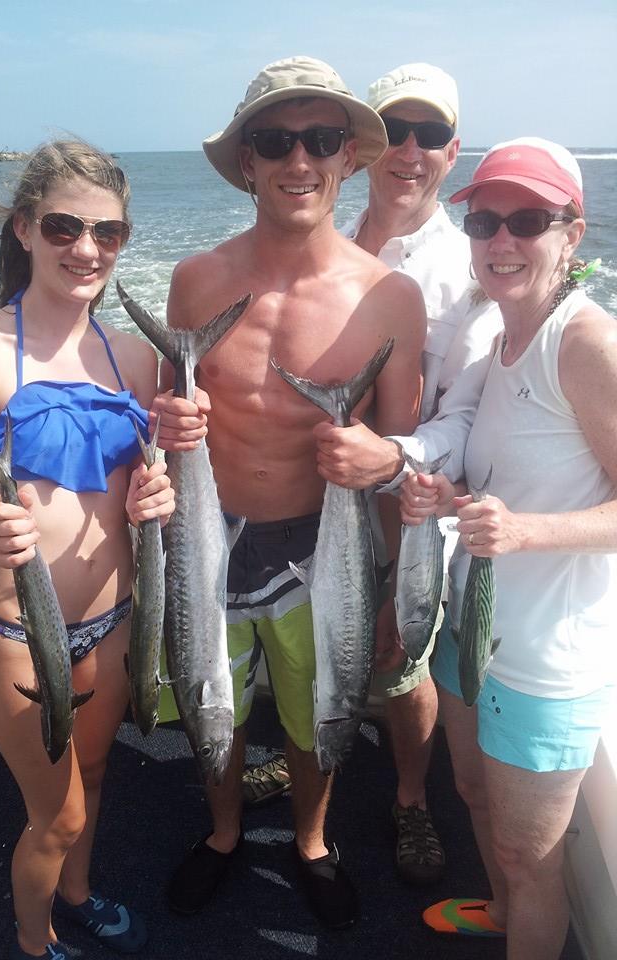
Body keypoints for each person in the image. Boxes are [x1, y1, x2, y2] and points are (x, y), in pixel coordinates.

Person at [152, 56, 426, 929]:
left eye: (319, 139)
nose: (297, 159)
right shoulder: (195, 280)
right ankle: (226, 832)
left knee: (321, 712)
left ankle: (311, 839)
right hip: (208, 544)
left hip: (324, 553)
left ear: (348, 156)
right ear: (247, 163)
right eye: (275, 141)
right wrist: (166, 426)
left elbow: (399, 452)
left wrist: (391, 584)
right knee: (211, 704)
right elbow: (163, 419)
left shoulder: (392, 298)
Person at [245, 62, 503, 886]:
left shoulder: (471, 269)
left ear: (452, 151)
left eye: (431, 135)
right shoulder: (331, 231)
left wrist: (395, 465)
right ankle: (311, 749)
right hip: (317, 507)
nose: (411, 149)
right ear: (365, 148)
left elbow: (468, 416)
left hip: (411, 503)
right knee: (327, 648)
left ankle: (410, 796)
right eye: (397, 129)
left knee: (401, 660)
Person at [0, 140, 175, 960]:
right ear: (27, 228)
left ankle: (78, 891)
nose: (87, 248)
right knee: (56, 813)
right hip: (19, 639)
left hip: (117, 619)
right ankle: (37, 944)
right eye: (65, 227)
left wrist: (158, 497)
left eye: (109, 233)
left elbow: (140, 482)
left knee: (94, 781)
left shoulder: (134, 354)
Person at [401, 138, 617, 959]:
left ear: (573, 234)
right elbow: (492, 467)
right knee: (470, 795)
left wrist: (528, 532)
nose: (500, 241)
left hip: (547, 664)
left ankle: (521, 912)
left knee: (533, 854)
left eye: (527, 221)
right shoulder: (502, 343)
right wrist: (439, 493)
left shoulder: (586, 344)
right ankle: (499, 909)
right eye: (485, 221)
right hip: (474, 631)